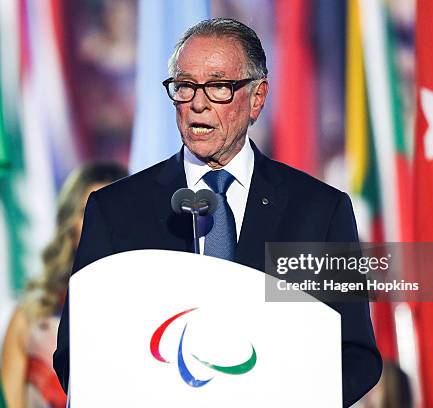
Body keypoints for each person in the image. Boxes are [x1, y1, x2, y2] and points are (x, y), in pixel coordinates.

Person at [54, 18, 382, 406]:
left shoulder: (319, 211)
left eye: (218, 87)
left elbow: (354, 355)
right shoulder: (115, 210)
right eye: (185, 86)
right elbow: (78, 352)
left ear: (257, 98)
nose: (197, 102)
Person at [1, 162, 127, 408]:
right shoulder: (29, 319)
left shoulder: (152, 313)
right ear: (69, 223)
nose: (103, 223)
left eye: (115, 212)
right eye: (90, 211)